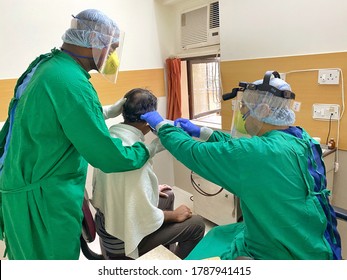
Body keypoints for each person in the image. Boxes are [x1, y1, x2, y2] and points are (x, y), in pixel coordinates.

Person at [0, 9, 158, 260]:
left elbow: (48, 119)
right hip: (44, 203)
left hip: (20, 191)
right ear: (94, 41)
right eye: (112, 48)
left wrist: (103, 112)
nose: (113, 56)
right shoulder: (73, 83)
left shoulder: (48, 66)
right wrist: (148, 148)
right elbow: (107, 156)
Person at [140, 71, 342, 260]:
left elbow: (194, 152)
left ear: (263, 110)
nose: (241, 116)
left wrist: (163, 126)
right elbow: (238, 148)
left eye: (244, 110)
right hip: (317, 237)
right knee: (218, 233)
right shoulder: (301, 138)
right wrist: (201, 131)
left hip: (286, 251)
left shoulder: (259, 153)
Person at [91, 88, 205, 259]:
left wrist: (147, 189)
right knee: (196, 224)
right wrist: (175, 215)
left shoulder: (111, 136)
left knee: (168, 194)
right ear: (148, 121)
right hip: (121, 240)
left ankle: (164, 255)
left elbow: (123, 186)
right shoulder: (132, 159)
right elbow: (138, 215)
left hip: (106, 221)